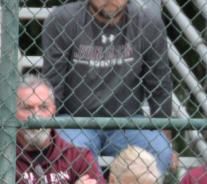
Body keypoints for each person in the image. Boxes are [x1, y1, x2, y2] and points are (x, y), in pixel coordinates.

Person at [41, 0, 175, 175]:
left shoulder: (146, 21)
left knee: (160, 150)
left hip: (128, 121)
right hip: (74, 120)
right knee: (69, 154)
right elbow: (52, 85)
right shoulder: (64, 19)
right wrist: (46, 131)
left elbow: (159, 83)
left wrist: (165, 137)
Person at [14, 75, 105, 184]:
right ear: (13, 112)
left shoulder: (78, 156)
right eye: (27, 108)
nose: (36, 116)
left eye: (43, 107)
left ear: (54, 110)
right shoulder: (5, 159)